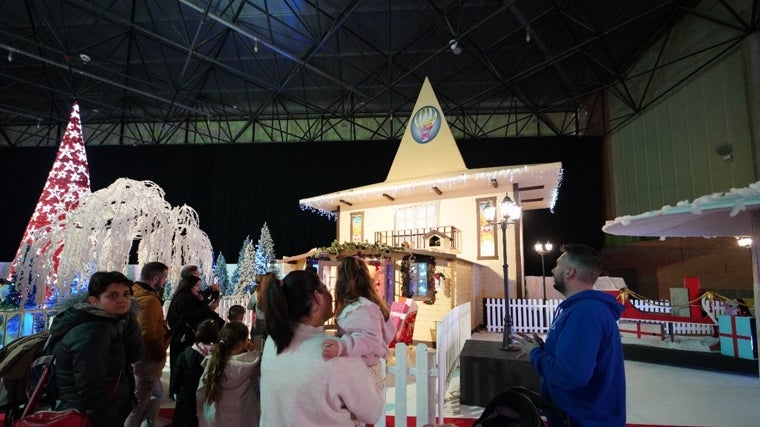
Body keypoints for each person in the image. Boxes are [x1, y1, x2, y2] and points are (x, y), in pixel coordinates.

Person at [511, 244, 626, 427]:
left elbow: (571, 376)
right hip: (580, 417)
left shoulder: (584, 313)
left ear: (569, 272)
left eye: (557, 265)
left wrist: (536, 354)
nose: (552, 269)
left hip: (583, 420)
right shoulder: (583, 309)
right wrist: (544, 348)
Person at [260, 270, 383, 426]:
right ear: (318, 298)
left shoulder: (273, 343)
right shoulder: (334, 355)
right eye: (326, 288)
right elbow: (372, 412)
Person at [49, 271, 144, 427]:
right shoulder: (93, 332)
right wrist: (108, 418)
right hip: (90, 414)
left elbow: (132, 355)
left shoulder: (113, 324)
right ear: (94, 300)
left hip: (99, 408)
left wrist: (130, 323)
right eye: (113, 296)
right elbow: (90, 385)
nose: (122, 300)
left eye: (126, 294)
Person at [322, 257, 395, 393]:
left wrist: (342, 346)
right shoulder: (368, 306)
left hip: (363, 371)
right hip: (364, 368)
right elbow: (386, 332)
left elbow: (370, 338)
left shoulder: (362, 308)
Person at [125, 261, 171, 427]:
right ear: (155, 278)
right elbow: (147, 334)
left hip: (141, 358)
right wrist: (159, 352)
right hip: (147, 360)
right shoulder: (149, 300)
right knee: (139, 404)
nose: (165, 281)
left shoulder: (136, 293)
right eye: (164, 277)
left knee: (154, 394)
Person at [167, 274, 225, 398]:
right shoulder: (184, 299)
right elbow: (190, 315)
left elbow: (204, 302)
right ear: (189, 286)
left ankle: (178, 391)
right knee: (183, 364)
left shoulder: (189, 296)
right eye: (197, 285)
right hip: (183, 337)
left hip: (185, 335)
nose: (199, 288)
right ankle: (178, 391)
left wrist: (213, 292)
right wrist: (208, 308)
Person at [196, 321, 260, 427]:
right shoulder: (252, 363)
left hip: (216, 418)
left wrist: (201, 414)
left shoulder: (213, 362)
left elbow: (201, 391)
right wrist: (253, 352)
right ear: (242, 343)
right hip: (244, 418)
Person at [171, 318, 221, 427]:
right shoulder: (218, 355)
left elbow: (177, 374)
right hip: (208, 396)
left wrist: (175, 390)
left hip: (188, 394)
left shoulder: (188, 352)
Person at [247, 273, 273, 349]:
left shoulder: (257, 294)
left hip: (259, 323)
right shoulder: (274, 293)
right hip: (271, 322)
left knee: (257, 345)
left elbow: (249, 307)